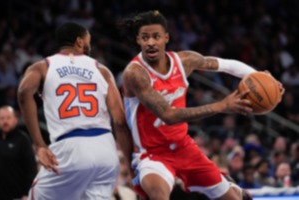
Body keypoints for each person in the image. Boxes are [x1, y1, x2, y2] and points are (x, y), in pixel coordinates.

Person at [118, 10, 283, 200]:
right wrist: (221, 105)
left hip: (184, 146)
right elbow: (169, 115)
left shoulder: (185, 61)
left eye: (156, 36)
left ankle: (230, 187)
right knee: (158, 195)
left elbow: (226, 65)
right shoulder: (135, 73)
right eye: (145, 38)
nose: (151, 42)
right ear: (138, 40)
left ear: (166, 38)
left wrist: (262, 77)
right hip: (152, 154)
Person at [17, 22, 134, 200]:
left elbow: (24, 93)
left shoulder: (43, 67)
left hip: (71, 149)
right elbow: (119, 121)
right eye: (89, 41)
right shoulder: (102, 70)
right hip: (106, 151)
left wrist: (39, 144)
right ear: (79, 42)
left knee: (35, 195)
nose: (90, 45)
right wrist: (131, 165)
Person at [0, 105, 37, 199]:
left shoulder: (23, 139)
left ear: (15, 119)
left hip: (18, 195)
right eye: (1, 118)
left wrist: (26, 193)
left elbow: (31, 169)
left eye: (8, 118)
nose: (5, 121)